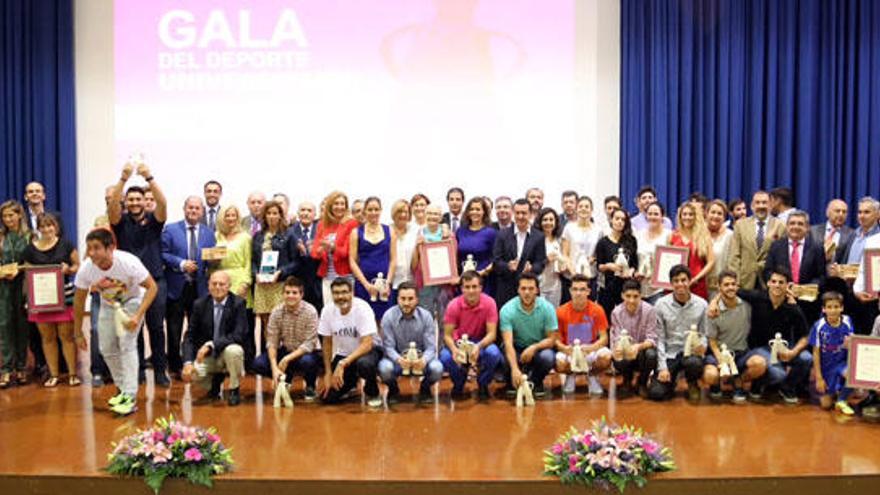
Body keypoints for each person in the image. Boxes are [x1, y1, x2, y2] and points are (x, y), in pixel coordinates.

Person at [72, 228, 158, 415]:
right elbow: (78, 302)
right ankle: (122, 387)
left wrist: (137, 315)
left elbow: (152, 287)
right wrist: (78, 332)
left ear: (110, 247)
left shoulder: (128, 262)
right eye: (89, 248)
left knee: (127, 344)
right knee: (106, 348)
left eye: (96, 248)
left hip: (133, 301)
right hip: (109, 304)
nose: (92, 253)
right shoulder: (86, 269)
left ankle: (130, 395)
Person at [108, 162, 169, 386]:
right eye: (130, 199)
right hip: (129, 285)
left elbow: (163, 203)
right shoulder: (120, 222)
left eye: (138, 199)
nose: (135, 202)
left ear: (145, 201)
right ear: (126, 202)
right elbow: (112, 206)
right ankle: (140, 371)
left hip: (155, 281)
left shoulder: (154, 221)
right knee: (134, 327)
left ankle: (161, 371)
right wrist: (123, 180)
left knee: (155, 327)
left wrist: (149, 178)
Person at [733, 267, 811, 404]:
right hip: (760, 349)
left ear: (788, 285)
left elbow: (805, 336)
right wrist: (714, 302)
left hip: (783, 349)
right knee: (778, 374)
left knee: (806, 358)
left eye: (781, 282)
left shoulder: (793, 308)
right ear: (768, 283)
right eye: (773, 281)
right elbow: (731, 290)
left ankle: (787, 387)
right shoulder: (757, 297)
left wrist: (793, 352)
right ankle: (756, 384)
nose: (777, 285)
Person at [23, 213, 80, 387]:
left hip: (64, 297)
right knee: (47, 338)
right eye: (43, 226)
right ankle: (54, 374)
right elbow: (27, 272)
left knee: (66, 337)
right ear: (38, 228)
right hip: (41, 300)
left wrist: (68, 269)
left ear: (56, 227)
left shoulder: (66, 244)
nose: (47, 229)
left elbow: (77, 266)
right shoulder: (30, 249)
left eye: (50, 226)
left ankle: (72, 374)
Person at [161, 196, 215, 379]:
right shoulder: (170, 229)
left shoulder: (209, 233)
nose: (193, 211)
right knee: (174, 329)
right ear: (184, 208)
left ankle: (195, 363)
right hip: (176, 286)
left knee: (197, 328)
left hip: (199, 287)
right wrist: (181, 263)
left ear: (202, 211)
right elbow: (163, 253)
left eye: (197, 208)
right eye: (190, 207)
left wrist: (214, 259)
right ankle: (175, 365)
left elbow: (211, 258)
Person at [182, 271, 247, 406]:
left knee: (234, 351)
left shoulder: (238, 304)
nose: (218, 287)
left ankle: (234, 388)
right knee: (193, 374)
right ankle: (214, 383)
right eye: (214, 284)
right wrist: (187, 363)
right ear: (208, 286)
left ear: (229, 286)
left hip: (226, 352)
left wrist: (211, 345)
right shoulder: (199, 304)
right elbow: (189, 335)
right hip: (209, 356)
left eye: (222, 284)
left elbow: (238, 335)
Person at [252, 276, 321, 402]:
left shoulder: (311, 312)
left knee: (308, 361)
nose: (290, 296)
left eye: (294, 293)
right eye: (287, 292)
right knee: (258, 364)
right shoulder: (276, 311)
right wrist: (274, 368)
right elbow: (272, 341)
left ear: (301, 295)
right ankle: (285, 379)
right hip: (286, 349)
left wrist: (286, 359)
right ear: (282, 294)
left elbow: (309, 344)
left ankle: (310, 385)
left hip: (305, 352)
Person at [318, 278, 383, 407]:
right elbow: (326, 342)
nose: (340, 296)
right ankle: (351, 384)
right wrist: (328, 372)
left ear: (352, 293)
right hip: (345, 355)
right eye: (336, 293)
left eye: (344, 292)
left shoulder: (363, 308)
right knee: (328, 398)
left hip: (369, 352)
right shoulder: (327, 311)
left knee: (364, 364)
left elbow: (367, 343)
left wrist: (343, 363)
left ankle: (372, 391)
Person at [703, 271, 765, 403]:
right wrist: (720, 359)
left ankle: (739, 381)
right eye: (726, 285)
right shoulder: (713, 311)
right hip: (719, 353)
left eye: (733, 284)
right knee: (710, 375)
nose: (730, 287)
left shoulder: (747, 305)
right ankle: (716, 384)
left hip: (742, 353)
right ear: (719, 288)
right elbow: (712, 340)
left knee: (759, 364)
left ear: (738, 286)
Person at [648, 265, 708, 402]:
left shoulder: (702, 304)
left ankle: (692, 383)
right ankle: (670, 382)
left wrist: (702, 347)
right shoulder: (661, 304)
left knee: (694, 363)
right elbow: (660, 338)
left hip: (691, 354)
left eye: (683, 280)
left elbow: (704, 333)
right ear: (671, 283)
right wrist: (662, 367)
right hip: (670, 353)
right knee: (656, 394)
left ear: (690, 281)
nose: (680, 284)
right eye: (676, 281)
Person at [439, 271, 502, 400]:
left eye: (474, 287)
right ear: (461, 289)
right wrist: (455, 350)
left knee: (494, 354)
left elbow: (492, 334)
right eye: (467, 287)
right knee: (445, 357)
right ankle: (459, 383)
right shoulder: (453, 306)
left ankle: (483, 383)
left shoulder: (490, 303)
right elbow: (447, 335)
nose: (471, 291)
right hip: (459, 343)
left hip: (481, 342)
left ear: (481, 288)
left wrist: (478, 347)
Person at [378, 282, 443, 404]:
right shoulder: (388, 316)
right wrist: (399, 360)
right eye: (403, 299)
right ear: (397, 299)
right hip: (397, 362)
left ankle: (425, 390)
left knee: (437, 368)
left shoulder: (426, 316)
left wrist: (423, 360)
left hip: (420, 362)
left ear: (417, 299)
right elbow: (388, 347)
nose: (406, 303)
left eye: (410, 299)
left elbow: (431, 347)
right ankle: (393, 390)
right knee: (384, 369)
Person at [499, 273, 559, 398]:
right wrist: (514, 369)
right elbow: (508, 343)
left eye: (531, 289)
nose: (527, 292)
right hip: (516, 347)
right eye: (523, 288)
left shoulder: (547, 308)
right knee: (503, 357)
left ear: (537, 290)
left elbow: (552, 339)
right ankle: (512, 381)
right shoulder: (507, 310)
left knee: (548, 357)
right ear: (518, 290)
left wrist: (534, 347)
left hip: (538, 347)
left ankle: (536, 382)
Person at [253, 201, 301, 354]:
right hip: (262, 284)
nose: (272, 216)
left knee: (282, 319)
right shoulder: (258, 236)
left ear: (281, 215)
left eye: (275, 213)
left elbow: (296, 261)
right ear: (264, 216)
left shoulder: (288, 234)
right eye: (269, 213)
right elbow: (253, 260)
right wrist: (256, 274)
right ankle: (270, 353)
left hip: (280, 283)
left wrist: (280, 272)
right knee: (267, 321)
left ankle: (284, 353)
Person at [555, 274, 611, 395]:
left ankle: (591, 375)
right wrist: (565, 348)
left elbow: (604, 338)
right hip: (569, 353)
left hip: (589, 352)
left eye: (582, 289)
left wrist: (592, 348)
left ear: (588, 291)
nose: (578, 293)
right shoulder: (560, 311)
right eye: (575, 289)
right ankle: (571, 375)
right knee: (558, 363)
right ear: (570, 291)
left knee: (606, 357)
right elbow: (556, 340)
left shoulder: (597, 310)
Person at [349, 197, 397, 320]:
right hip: (364, 284)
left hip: (385, 285)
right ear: (365, 211)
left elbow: (393, 260)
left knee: (385, 320)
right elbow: (352, 261)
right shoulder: (356, 233)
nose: (373, 212)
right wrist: (366, 284)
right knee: (364, 320)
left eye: (376, 209)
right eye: (370, 209)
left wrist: (388, 283)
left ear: (381, 210)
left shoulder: (390, 231)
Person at [0, 200, 31, 388]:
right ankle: (6, 369)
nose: (8, 219)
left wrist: (19, 269)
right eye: (4, 216)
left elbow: (34, 260)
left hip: (23, 285)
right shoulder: (1, 237)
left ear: (19, 215)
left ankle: (21, 367)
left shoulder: (30, 236)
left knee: (22, 325)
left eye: (11, 215)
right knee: (4, 325)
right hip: (3, 286)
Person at [727, 190, 785, 290]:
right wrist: (735, 281)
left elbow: (782, 257)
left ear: (770, 205)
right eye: (757, 203)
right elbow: (734, 256)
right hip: (745, 283)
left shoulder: (781, 226)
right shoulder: (740, 226)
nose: (761, 206)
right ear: (752, 206)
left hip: (770, 284)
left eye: (764, 202)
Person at [493, 199, 546, 306]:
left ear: (530, 214)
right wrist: (508, 266)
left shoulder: (539, 236)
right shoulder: (502, 234)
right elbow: (496, 261)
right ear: (513, 213)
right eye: (517, 213)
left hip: (529, 289)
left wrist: (531, 268)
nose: (520, 216)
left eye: (524, 213)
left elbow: (541, 263)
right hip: (506, 288)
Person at [809, 292, 855, 415]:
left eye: (836, 307)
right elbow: (816, 352)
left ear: (842, 308)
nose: (833, 310)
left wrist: (850, 344)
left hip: (842, 363)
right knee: (826, 405)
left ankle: (841, 399)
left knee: (852, 374)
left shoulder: (848, 321)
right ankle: (831, 392)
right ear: (823, 309)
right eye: (829, 307)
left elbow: (852, 343)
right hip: (826, 368)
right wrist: (819, 378)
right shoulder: (818, 326)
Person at [610, 280, 658, 397]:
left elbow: (652, 338)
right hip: (626, 351)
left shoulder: (650, 310)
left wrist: (638, 346)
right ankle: (627, 380)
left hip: (642, 351)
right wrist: (617, 349)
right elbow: (616, 337)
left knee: (651, 355)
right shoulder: (616, 312)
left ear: (641, 296)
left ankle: (642, 382)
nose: (631, 300)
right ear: (622, 296)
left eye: (635, 296)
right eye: (628, 296)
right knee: (618, 359)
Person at [311, 191, 359, 307]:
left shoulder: (351, 224)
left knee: (346, 310)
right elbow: (314, 253)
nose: (339, 207)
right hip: (327, 276)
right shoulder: (322, 224)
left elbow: (347, 253)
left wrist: (332, 248)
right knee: (329, 310)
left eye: (342, 204)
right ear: (330, 206)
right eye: (336, 204)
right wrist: (320, 251)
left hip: (345, 276)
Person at [595, 208, 638, 319]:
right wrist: (609, 266)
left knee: (626, 317)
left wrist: (631, 271)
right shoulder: (603, 242)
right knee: (606, 317)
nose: (620, 222)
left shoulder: (631, 240)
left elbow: (634, 263)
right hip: (608, 286)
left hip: (626, 287)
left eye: (623, 220)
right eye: (617, 218)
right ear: (611, 220)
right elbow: (599, 266)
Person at [669, 202, 715, 299]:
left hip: (697, 284)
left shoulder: (704, 236)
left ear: (696, 217)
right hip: (677, 284)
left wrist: (696, 278)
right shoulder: (673, 236)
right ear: (680, 217)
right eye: (684, 214)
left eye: (691, 214)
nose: (687, 217)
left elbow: (711, 262)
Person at [561, 196, 602, 294]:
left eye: (587, 207)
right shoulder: (569, 228)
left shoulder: (598, 230)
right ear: (576, 209)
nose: (583, 209)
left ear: (591, 210)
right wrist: (573, 273)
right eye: (580, 206)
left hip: (590, 275)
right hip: (571, 276)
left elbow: (599, 254)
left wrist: (594, 258)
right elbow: (565, 254)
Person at [457, 197, 497, 295]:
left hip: (483, 279)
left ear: (484, 212)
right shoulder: (460, 231)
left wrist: (483, 272)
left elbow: (496, 258)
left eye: (478, 209)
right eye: (472, 209)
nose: (474, 212)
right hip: (464, 280)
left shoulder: (491, 233)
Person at [633, 202, 669, 303]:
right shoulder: (638, 235)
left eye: (656, 214)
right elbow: (633, 259)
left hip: (659, 289)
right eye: (650, 213)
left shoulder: (668, 235)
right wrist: (634, 272)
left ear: (662, 216)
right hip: (639, 288)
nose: (652, 217)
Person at [290, 201, 322, 311]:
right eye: (303, 210)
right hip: (296, 281)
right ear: (298, 213)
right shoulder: (290, 231)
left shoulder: (321, 230)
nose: (306, 213)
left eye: (309, 210)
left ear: (315, 214)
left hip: (317, 282)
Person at [536, 208, 564, 306]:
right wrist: (546, 259)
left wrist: (563, 265)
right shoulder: (535, 240)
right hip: (539, 285)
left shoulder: (559, 240)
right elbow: (532, 263)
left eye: (551, 220)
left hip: (555, 285)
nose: (548, 222)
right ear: (540, 222)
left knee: (553, 315)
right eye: (545, 219)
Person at [705, 200, 733, 299]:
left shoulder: (730, 236)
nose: (715, 216)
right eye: (712, 212)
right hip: (699, 286)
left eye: (719, 213)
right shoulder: (698, 234)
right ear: (706, 214)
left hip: (721, 289)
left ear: (724, 217)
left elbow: (732, 263)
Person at [390, 199, 418, 291]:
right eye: (399, 212)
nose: (403, 215)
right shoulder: (386, 231)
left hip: (410, 282)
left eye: (406, 212)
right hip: (392, 282)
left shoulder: (415, 231)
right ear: (394, 213)